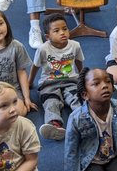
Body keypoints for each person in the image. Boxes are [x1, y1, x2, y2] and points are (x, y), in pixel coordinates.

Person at [64, 67, 117, 171]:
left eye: (108, 82)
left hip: (115, 156)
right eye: (96, 84)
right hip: (91, 160)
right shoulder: (76, 119)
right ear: (85, 94)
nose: (104, 86)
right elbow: (71, 151)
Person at [28, 13, 84, 141]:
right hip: (49, 83)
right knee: (51, 102)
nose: (62, 33)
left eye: (65, 29)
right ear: (48, 37)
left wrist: (82, 78)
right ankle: (55, 125)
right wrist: (29, 82)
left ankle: (84, 120)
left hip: (70, 81)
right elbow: (35, 66)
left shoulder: (75, 45)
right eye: (56, 31)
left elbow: (79, 61)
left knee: (76, 98)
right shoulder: (43, 49)